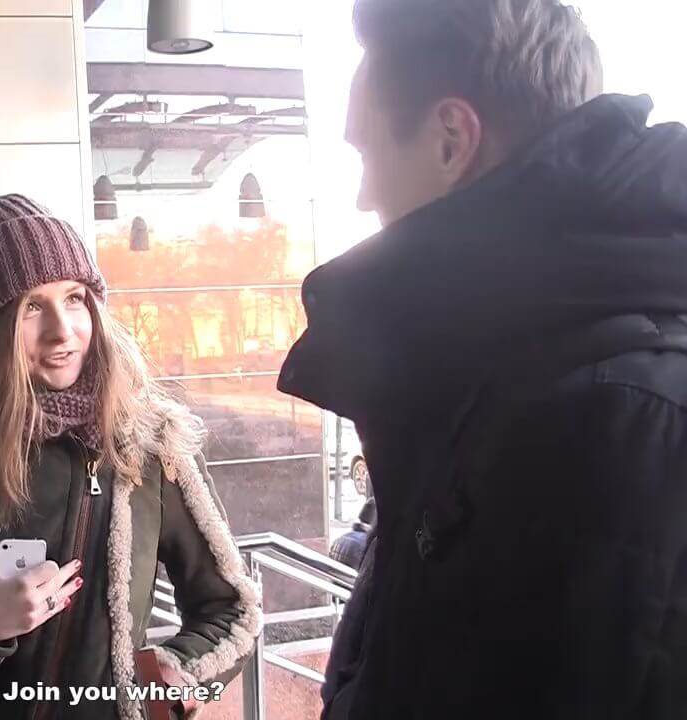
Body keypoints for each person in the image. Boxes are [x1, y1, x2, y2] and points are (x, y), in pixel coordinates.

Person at [279, 1, 687, 718]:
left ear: (451, 139)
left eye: (367, 154)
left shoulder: (610, 416)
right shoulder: (511, 367)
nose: (363, 195)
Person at [0, 195, 261, 720]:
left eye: (75, 297)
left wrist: (175, 680)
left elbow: (234, 610)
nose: (63, 330)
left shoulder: (149, 447)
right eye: (31, 306)